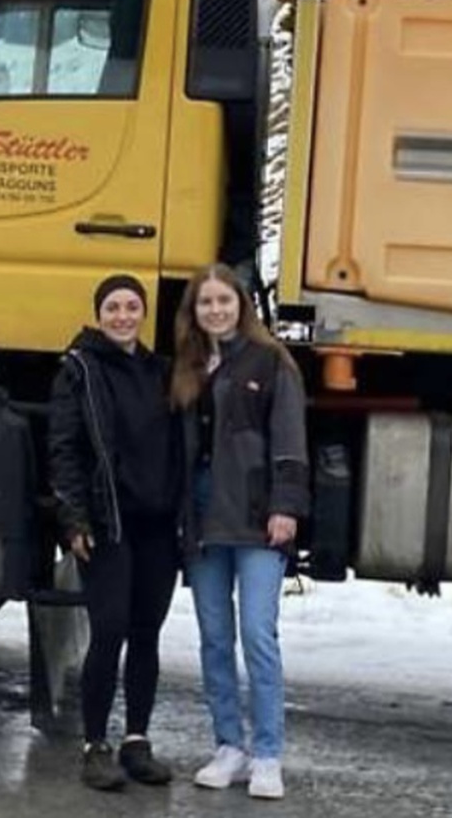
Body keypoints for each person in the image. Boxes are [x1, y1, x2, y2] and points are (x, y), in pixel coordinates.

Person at [173, 263, 308, 801]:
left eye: (223, 300)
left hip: (256, 520)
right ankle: (229, 745)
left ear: (241, 304)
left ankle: (268, 755)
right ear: (194, 311)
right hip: (204, 521)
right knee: (213, 637)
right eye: (205, 303)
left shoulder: (272, 361)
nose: (215, 310)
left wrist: (286, 506)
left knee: (257, 635)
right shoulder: (186, 366)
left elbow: (290, 439)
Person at [47, 274, 179, 792]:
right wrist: (73, 518)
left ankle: (137, 743)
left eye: (131, 307)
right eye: (113, 307)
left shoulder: (160, 371)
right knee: (110, 630)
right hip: (107, 524)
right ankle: (94, 747)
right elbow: (64, 448)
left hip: (158, 526)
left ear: (143, 313)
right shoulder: (79, 370)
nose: (122, 316)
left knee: (147, 633)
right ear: (99, 314)